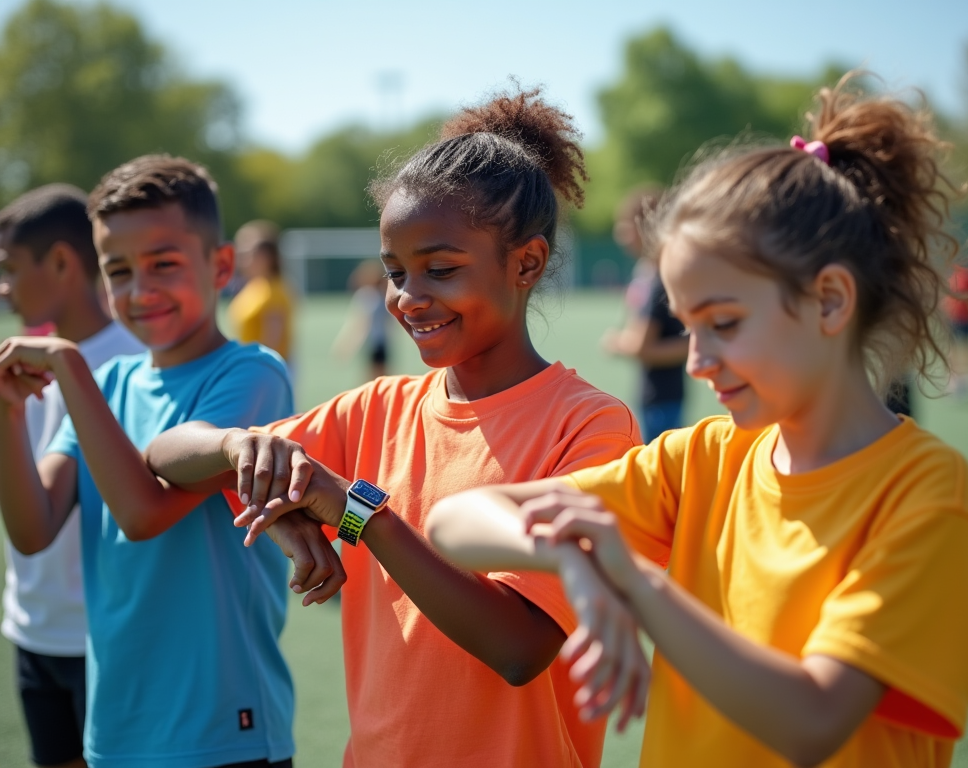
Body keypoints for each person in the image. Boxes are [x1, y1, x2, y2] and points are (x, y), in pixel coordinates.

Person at [425, 75, 968, 768]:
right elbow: (456, 520)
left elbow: (813, 721)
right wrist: (571, 559)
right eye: (689, 327)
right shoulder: (703, 459)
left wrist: (639, 584)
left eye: (723, 323)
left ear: (830, 301)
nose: (697, 361)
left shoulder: (925, 491)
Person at [145, 88, 644, 768]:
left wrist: (351, 510)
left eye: (440, 269)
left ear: (525, 263)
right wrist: (242, 447)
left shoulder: (590, 427)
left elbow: (521, 647)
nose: (409, 297)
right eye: (394, 271)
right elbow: (165, 453)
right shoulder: (375, 408)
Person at [0, 156, 340, 768]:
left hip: (222, 725)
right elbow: (32, 529)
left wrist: (68, 366)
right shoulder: (107, 383)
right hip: (118, 724)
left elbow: (142, 513)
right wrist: (6, 413)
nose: (140, 289)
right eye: (119, 270)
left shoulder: (251, 372)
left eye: (164, 264)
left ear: (222, 267)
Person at [0, 184, 144, 768]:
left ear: (61, 262)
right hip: (32, 628)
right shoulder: (19, 362)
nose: (3, 288)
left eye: (9, 269)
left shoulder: (134, 363)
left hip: (103, 638)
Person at [603, 186, 689, 439]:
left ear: (646, 228)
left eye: (626, 227)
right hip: (656, 396)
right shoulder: (649, 273)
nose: (620, 235)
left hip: (663, 401)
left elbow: (642, 345)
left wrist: (617, 343)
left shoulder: (660, 279)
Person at [228, 219, 294, 365]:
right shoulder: (254, 287)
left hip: (263, 370)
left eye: (247, 253)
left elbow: (271, 345)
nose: (241, 259)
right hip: (251, 366)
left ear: (266, 257)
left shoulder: (273, 291)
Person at [332, 258, 390, 380]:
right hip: (378, 343)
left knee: (377, 379)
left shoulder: (370, 296)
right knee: (380, 378)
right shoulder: (380, 296)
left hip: (376, 343)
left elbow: (360, 325)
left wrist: (347, 345)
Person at [942, 263, 968, 395]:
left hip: (965, 318)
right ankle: (952, 376)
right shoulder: (952, 278)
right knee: (951, 348)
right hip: (953, 319)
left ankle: (967, 376)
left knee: (966, 347)